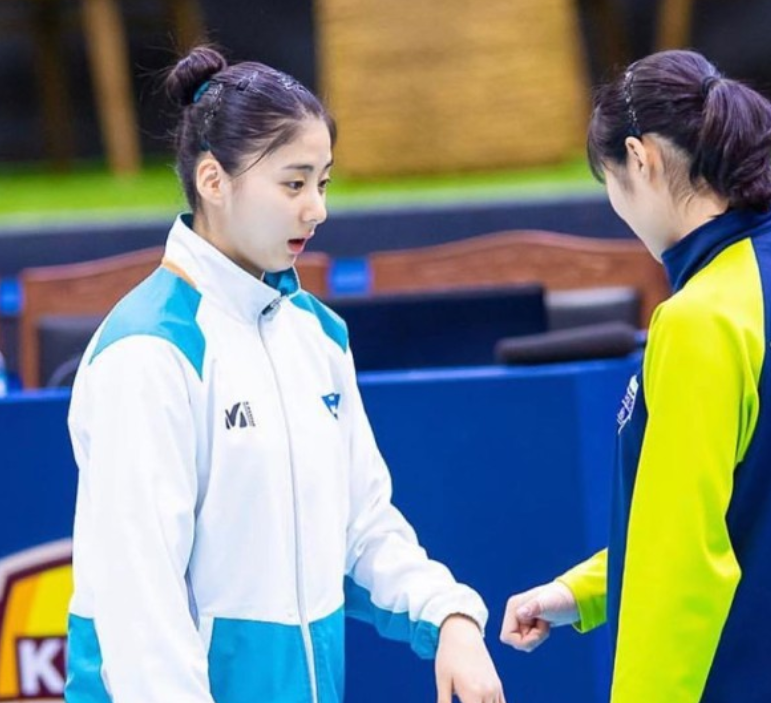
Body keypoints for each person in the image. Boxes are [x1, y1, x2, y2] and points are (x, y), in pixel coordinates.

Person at [64, 46, 505, 703]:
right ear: (213, 181)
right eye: (294, 184)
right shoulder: (149, 353)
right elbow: (139, 609)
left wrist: (449, 616)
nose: (316, 209)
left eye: (322, 183)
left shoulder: (317, 335)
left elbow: (360, 526)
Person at [500, 49, 771, 703]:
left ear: (639, 158)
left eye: (609, 183)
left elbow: (682, 553)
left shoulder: (701, 319)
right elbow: (746, 510)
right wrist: (586, 590)